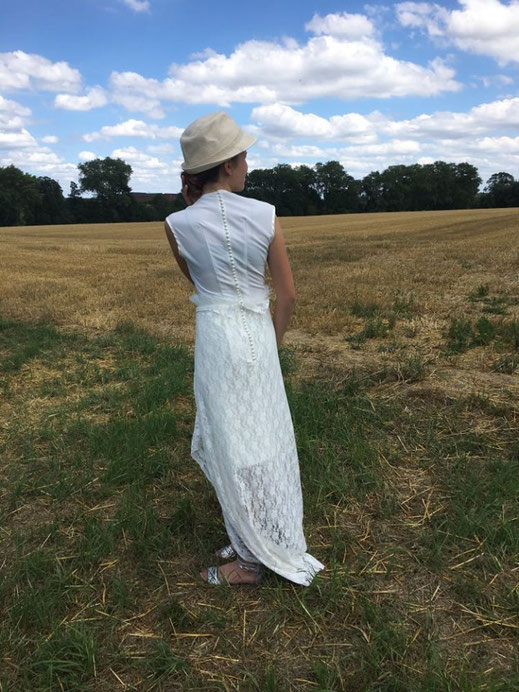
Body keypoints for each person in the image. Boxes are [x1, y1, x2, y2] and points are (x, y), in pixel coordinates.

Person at [164, 111, 324, 586]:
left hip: (215, 339)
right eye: (245, 155)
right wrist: (273, 343)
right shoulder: (265, 214)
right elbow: (288, 294)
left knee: (230, 438)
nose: (248, 162)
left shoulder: (176, 224)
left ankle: (250, 557)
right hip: (259, 336)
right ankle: (254, 540)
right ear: (230, 165)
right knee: (265, 437)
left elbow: (199, 283)